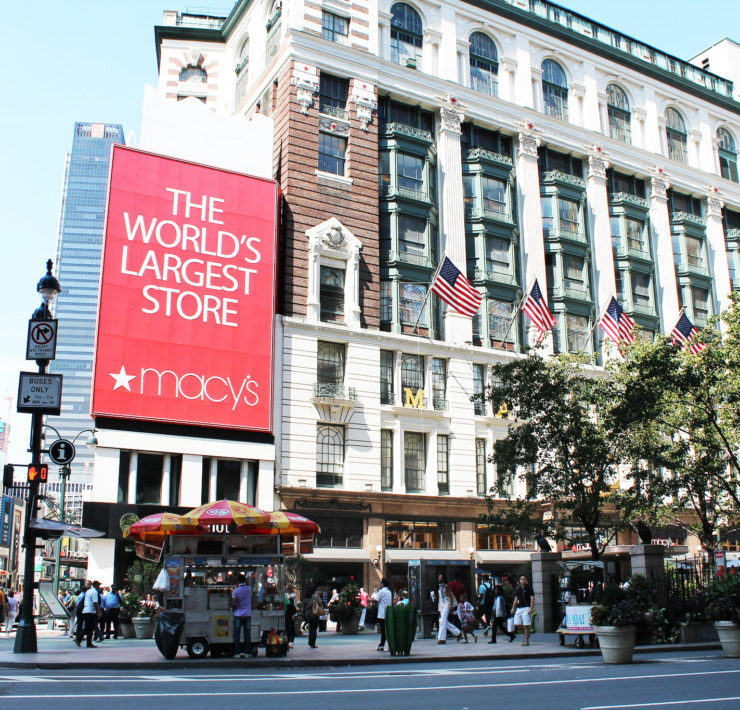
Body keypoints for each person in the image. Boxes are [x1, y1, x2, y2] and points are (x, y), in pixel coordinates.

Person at [231, 573, 253, 658]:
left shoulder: (235, 591)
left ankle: (237, 653)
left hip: (238, 615)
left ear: (237, 581)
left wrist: (234, 609)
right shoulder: (249, 589)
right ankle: (248, 652)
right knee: (247, 635)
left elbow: (233, 604)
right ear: (245, 580)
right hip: (247, 615)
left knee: (237, 635)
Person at [75, 580, 102, 648]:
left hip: (86, 610)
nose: (99, 587)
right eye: (98, 585)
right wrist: (98, 612)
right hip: (91, 611)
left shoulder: (88, 591)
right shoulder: (94, 592)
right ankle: (79, 639)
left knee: (90, 627)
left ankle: (88, 642)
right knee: (89, 627)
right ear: (95, 585)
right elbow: (95, 603)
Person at [436, 573, 461, 644]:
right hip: (441, 605)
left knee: (442, 621)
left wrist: (450, 605)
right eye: (438, 577)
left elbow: (450, 596)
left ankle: (441, 638)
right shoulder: (439, 586)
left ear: (443, 578)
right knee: (445, 622)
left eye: (440, 577)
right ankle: (458, 633)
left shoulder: (446, 586)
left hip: (446, 605)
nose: (439, 579)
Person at [511, 575, 535, 646]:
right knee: (517, 624)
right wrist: (513, 608)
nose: (523, 581)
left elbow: (532, 599)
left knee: (526, 625)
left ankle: (526, 640)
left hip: (526, 608)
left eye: (524, 579)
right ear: (519, 581)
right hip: (519, 608)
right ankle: (527, 634)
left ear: (526, 581)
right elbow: (516, 599)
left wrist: (531, 608)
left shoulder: (529, 588)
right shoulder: (518, 589)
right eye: (521, 579)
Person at [374, 578, 392, 651]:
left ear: (383, 584)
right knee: (387, 630)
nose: (380, 584)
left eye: (381, 583)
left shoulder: (381, 591)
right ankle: (388, 645)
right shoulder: (389, 592)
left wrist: (369, 600)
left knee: (383, 630)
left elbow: (376, 600)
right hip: (388, 613)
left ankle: (381, 645)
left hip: (382, 614)